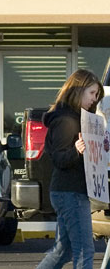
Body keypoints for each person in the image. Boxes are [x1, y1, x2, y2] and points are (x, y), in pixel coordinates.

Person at [36, 69, 103, 269]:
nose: (94, 99)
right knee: (84, 250)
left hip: (70, 191)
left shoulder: (77, 118)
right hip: (70, 192)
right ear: (79, 90)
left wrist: (99, 146)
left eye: (97, 95)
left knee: (63, 251)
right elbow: (59, 159)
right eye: (92, 93)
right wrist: (77, 151)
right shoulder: (67, 120)